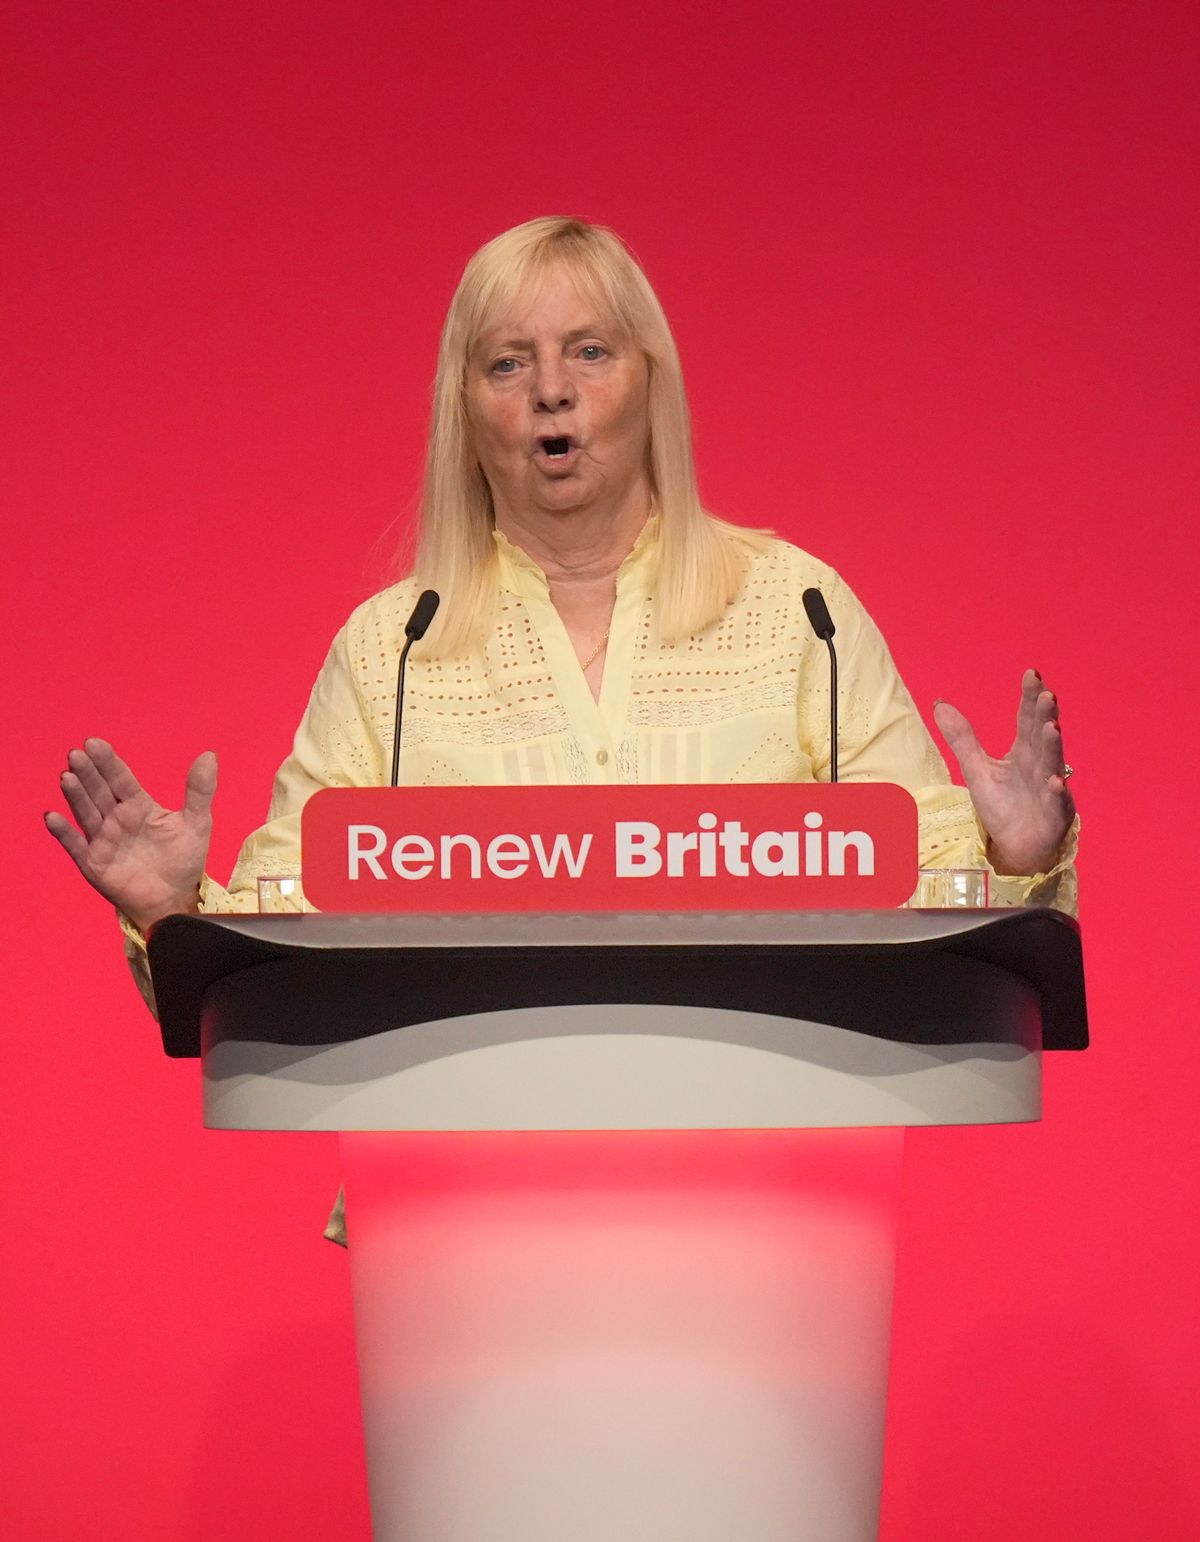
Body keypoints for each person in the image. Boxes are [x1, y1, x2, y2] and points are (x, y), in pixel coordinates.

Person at [45, 218, 1079, 1242]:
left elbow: (926, 878)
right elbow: (286, 941)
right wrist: (173, 908)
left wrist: (1015, 855)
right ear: (466, 408)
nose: (552, 389)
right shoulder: (394, 653)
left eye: (589, 350)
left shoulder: (794, 609)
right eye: (509, 361)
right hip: (453, 1227)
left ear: (649, 382)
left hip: (767, 1219)